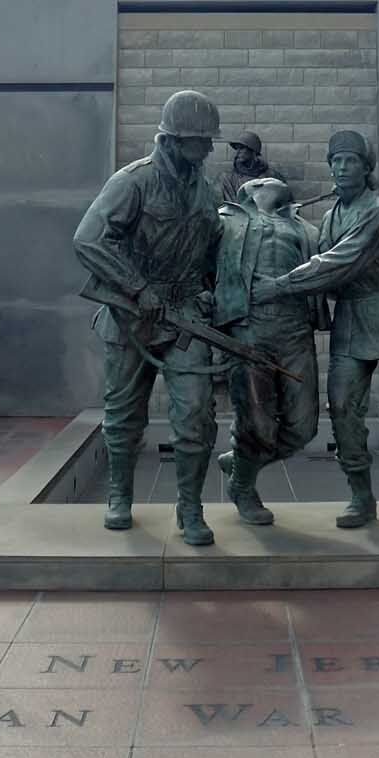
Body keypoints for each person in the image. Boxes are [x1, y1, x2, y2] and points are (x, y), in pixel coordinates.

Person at [252, 129, 379, 529]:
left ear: (366, 169)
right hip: (350, 322)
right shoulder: (331, 216)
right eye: (336, 161)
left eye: (351, 161)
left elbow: (335, 264)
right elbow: (315, 258)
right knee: (344, 409)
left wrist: (277, 287)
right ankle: (361, 497)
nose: (342, 168)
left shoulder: (377, 213)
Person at [73, 90, 223, 546]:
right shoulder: (132, 182)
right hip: (131, 316)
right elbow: (88, 240)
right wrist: (137, 288)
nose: (209, 149)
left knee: (196, 413)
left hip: (183, 320)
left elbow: (212, 251)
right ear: (175, 141)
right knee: (123, 415)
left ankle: (190, 508)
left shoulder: (206, 188)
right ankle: (119, 497)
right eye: (201, 142)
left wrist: (209, 293)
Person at [210, 176, 325, 525]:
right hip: (249, 329)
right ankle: (244, 486)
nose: (262, 181)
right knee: (256, 423)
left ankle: (242, 461)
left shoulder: (309, 231)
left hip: (295, 331)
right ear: (245, 195)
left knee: (304, 427)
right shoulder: (223, 222)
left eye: (269, 179)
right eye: (256, 182)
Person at [218, 131, 284, 204]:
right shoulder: (228, 179)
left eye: (242, 148)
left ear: (253, 151)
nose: (238, 152)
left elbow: (285, 204)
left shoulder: (272, 176)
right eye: (237, 148)